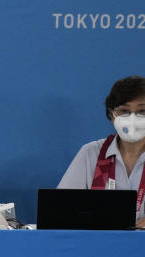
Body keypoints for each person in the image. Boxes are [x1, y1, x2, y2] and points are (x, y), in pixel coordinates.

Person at [58, 76, 145, 226]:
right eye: (124, 111)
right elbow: (60, 209)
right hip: (98, 243)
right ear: (112, 115)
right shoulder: (90, 153)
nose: (132, 119)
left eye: (142, 111)